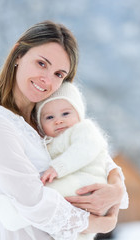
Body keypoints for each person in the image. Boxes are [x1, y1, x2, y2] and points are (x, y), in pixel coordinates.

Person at [0, 20, 128, 240]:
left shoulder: (48, 118)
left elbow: (94, 152)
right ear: (18, 54)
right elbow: (34, 201)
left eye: (59, 74)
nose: (47, 80)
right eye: (42, 64)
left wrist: (117, 188)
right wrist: (101, 223)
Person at [35, 82, 116, 240]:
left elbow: (84, 150)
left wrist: (58, 167)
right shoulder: (48, 142)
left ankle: (13, 210)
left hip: (87, 182)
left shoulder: (85, 129)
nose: (58, 121)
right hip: (75, 190)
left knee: (45, 194)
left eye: (65, 114)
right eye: (49, 117)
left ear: (79, 114)